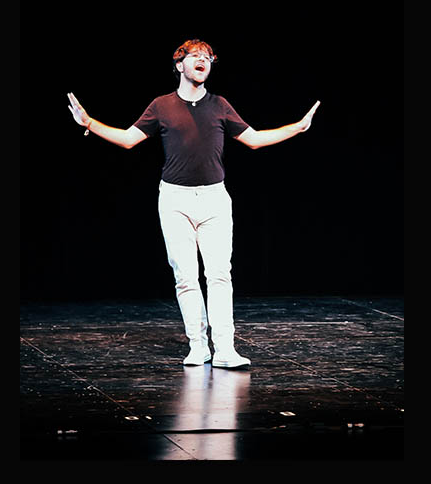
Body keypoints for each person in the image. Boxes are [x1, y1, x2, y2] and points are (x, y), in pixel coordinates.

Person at [66, 39, 320, 368]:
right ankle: (198, 345)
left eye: (208, 58)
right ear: (179, 65)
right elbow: (129, 139)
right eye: (195, 56)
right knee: (185, 277)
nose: (203, 61)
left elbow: (254, 139)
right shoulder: (161, 105)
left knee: (219, 275)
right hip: (175, 199)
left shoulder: (219, 105)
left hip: (214, 198)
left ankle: (225, 349)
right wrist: (89, 123)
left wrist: (297, 128)